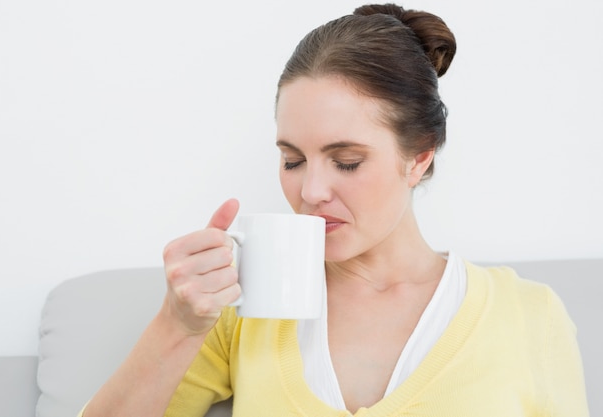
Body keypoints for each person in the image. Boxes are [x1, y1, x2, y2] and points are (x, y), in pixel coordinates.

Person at [80, 3, 589, 416]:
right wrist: (176, 323)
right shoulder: (242, 307)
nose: (312, 191)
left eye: (346, 162)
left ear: (419, 157)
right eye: (293, 160)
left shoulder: (528, 315)